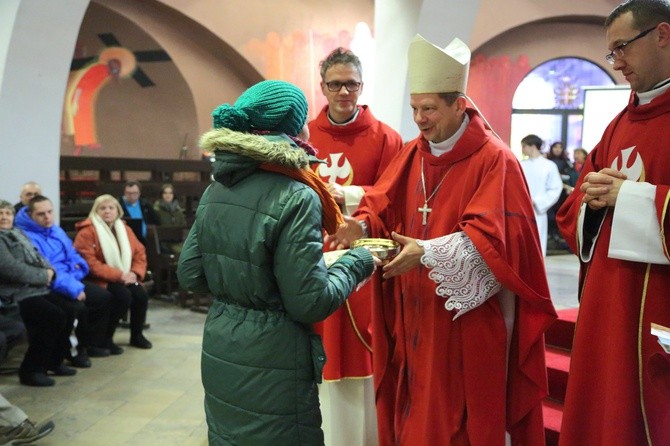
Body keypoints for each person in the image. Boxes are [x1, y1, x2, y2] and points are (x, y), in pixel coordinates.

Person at [331, 34, 556, 445]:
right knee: (412, 406)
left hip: (462, 323)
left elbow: (497, 241)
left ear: (459, 104)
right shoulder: (414, 153)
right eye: (415, 108)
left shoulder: (495, 159)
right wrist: (360, 226)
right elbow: (382, 203)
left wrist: (428, 252)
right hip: (413, 311)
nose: (419, 119)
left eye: (429, 108)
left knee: (456, 421)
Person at [177, 79, 377, 445]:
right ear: (295, 128)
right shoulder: (296, 194)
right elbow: (309, 302)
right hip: (275, 356)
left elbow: (190, 272)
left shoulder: (217, 188)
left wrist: (243, 287)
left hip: (223, 346)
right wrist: (357, 261)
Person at [556, 1, 670, 444]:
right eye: (611, 52)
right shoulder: (619, 123)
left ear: (662, 35)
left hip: (656, 306)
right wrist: (597, 203)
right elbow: (573, 213)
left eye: (622, 47)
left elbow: (631, 194)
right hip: (607, 308)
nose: (616, 62)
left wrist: (635, 198)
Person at [308, 47, 403, 446]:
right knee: (317, 354)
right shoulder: (303, 136)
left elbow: (393, 198)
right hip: (311, 261)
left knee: (362, 355)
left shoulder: (386, 138)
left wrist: (345, 195)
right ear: (323, 87)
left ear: (362, 86)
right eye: (336, 84)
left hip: (363, 264)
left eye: (352, 83)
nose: (344, 91)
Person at [13, 196, 113, 368]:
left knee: (103, 298)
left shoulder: (54, 229)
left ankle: (90, 344)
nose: (47, 217)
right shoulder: (27, 237)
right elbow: (49, 269)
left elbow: (73, 255)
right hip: (52, 283)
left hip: (70, 278)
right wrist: (73, 288)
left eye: (50, 212)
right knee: (76, 308)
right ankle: (74, 351)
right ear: (30, 215)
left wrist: (79, 269)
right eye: (41, 214)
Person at [0, 200, 76, 387]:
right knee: (52, 316)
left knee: (69, 309)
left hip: (34, 288)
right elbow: (11, 269)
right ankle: (31, 370)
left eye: (7, 213)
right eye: (0, 214)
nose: (4, 217)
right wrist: (44, 276)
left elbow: (39, 256)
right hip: (15, 293)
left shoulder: (17, 233)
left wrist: (51, 271)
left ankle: (53, 362)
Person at [73, 195, 152, 351]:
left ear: (118, 211)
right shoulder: (87, 231)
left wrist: (135, 273)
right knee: (123, 296)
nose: (107, 211)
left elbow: (139, 253)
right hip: (98, 279)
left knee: (140, 294)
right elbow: (90, 263)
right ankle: (106, 338)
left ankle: (137, 335)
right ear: (95, 211)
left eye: (111, 208)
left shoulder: (125, 229)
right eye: (102, 208)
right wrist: (119, 275)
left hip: (125, 276)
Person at [520, 134, 563, 256]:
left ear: (533, 146)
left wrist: (537, 202)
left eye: (524, 146)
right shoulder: (521, 164)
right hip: (520, 209)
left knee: (536, 246)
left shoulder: (549, 166)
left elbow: (555, 188)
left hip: (538, 211)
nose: (522, 149)